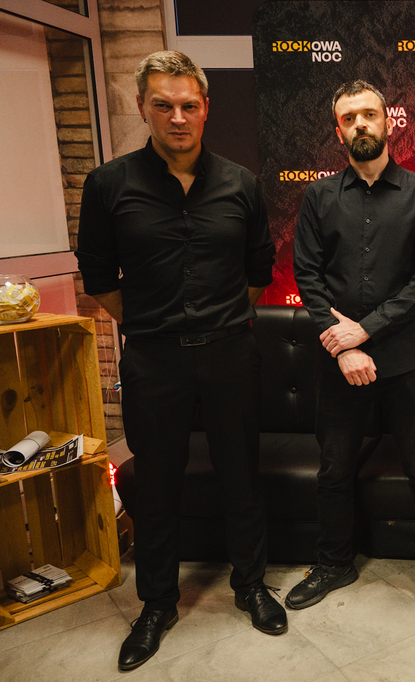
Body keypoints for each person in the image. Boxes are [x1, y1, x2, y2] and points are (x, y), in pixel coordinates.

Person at [75, 51, 283, 672]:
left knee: (241, 474)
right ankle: (157, 603)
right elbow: (98, 277)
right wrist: (152, 323)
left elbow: (258, 271)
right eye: (163, 105)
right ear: (142, 108)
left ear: (206, 109)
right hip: (154, 359)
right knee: (156, 484)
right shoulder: (108, 185)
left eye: (189, 105)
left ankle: (251, 585)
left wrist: (217, 320)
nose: (177, 117)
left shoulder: (241, 183)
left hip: (230, 353)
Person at [289, 80, 415, 615]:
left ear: (388, 121)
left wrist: (364, 331)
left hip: (406, 358)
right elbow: (307, 275)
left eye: (369, 114)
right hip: (339, 361)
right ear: (338, 130)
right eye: (349, 118)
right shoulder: (319, 197)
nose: (360, 124)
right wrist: (344, 347)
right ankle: (334, 563)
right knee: (334, 470)